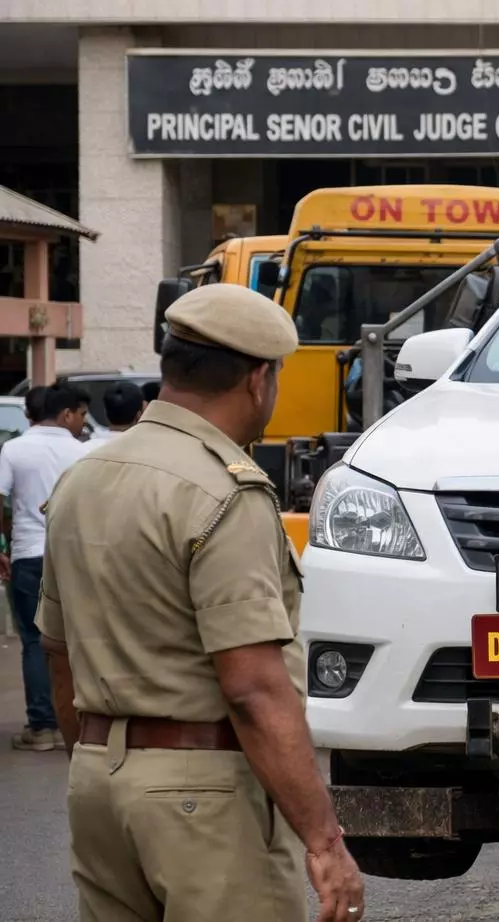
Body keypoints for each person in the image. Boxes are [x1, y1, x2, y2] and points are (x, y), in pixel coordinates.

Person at [35, 283, 365, 922]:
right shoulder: (223, 492)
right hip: (202, 796)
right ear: (258, 380)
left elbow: (59, 655)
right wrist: (325, 842)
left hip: (98, 784)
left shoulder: (82, 480)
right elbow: (253, 690)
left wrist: (102, 765)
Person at [0, 383, 92, 751]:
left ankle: (41, 728)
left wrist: (3, 542)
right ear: (66, 413)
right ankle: (76, 722)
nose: (83, 422)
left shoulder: (14, 449)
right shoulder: (82, 452)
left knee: (34, 643)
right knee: (75, 641)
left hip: (27, 554)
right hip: (74, 557)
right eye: (82, 414)